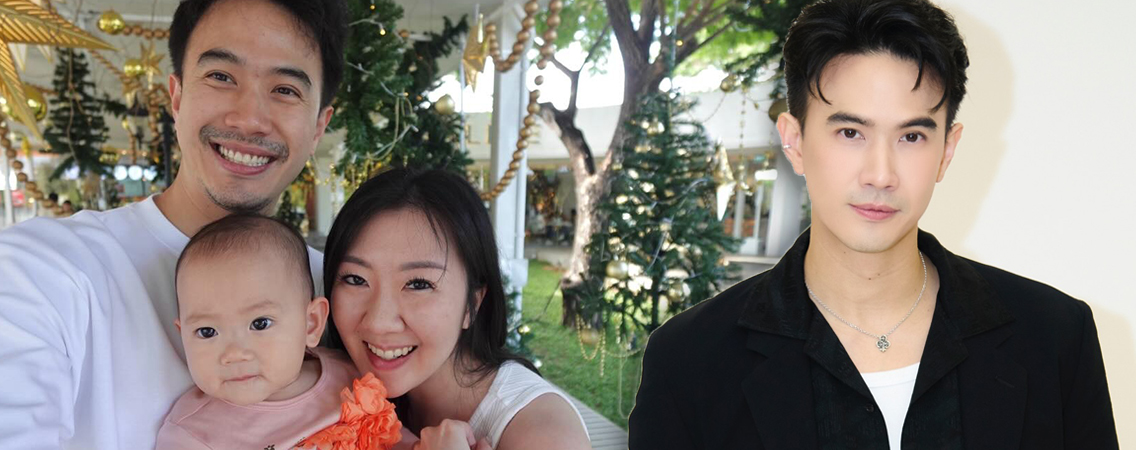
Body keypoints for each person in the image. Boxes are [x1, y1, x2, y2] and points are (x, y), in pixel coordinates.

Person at [628, 0, 1118, 449]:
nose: (881, 175)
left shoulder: (1055, 337)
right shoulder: (689, 360)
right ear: (794, 141)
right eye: (850, 132)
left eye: (912, 137)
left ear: (946, 151)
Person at [0, 0, 347, 448]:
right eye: (221, 76)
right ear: (177, 97)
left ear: (318, 127)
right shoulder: (34, 272)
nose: (248, 118)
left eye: (285, 89)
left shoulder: (342, 293)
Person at [322, 168, 592, 450]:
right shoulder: (334, 389)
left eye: (418, 284)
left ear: (472, 303)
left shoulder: (544, 435)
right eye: (355, 279)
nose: (379, 322)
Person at [156, 213, 406, 449]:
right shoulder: (192, 434)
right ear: (182, 335)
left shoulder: (352, 379)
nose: (234, 354)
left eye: (260, 324)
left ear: (311, 323)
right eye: (207, 332)